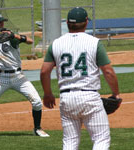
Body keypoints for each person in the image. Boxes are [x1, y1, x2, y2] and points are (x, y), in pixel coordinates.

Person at [40, 7, 121, 150]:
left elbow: (44, 71)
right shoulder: (94, 42)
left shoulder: (56, 44)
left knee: (70, 142)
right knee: (101, 139)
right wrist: (116, 94)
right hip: (89, 96)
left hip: (66, 98)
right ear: (86, 22)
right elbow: (108, 71)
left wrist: (47, 93)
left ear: (68, 24)